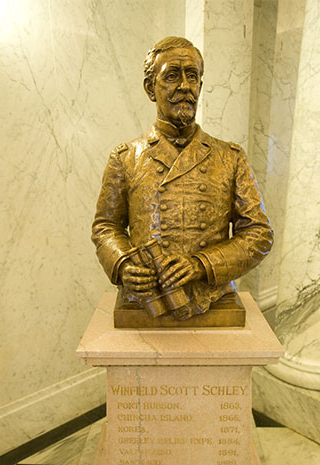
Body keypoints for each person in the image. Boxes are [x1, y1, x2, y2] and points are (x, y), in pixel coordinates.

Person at [92, 36, 273, 320]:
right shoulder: (125, 158)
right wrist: (124, 264)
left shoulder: (230, 157)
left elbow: (259, 234)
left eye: (192, 76)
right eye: (172, 76)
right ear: (150, 88)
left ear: (200, 85)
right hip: (148, 299)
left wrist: (202, 264)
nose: (185, 86)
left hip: (211, 295)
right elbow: (106, 227)